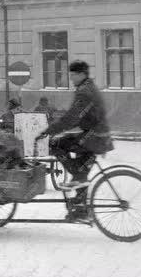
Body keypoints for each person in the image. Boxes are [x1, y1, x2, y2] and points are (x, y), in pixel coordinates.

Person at [36, 60, 114, 220]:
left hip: (94, 138)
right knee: (81, 169)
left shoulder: (84, 92)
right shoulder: (87, 88)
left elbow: (72, 118)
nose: (71, 78)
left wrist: (49, 131)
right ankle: (80, 210)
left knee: (55, 143)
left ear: (82, 74)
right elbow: (77, 116)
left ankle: (77, 179)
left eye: (73, 74)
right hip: (97, 137)